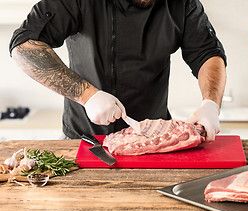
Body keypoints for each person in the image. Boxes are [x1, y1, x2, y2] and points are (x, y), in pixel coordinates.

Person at [9, 0, 227, 142]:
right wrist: (87, 96)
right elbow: (24, 46)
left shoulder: (183, 4)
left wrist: (211, 103)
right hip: (86, 140)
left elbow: (208, 53)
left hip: (155, 140)